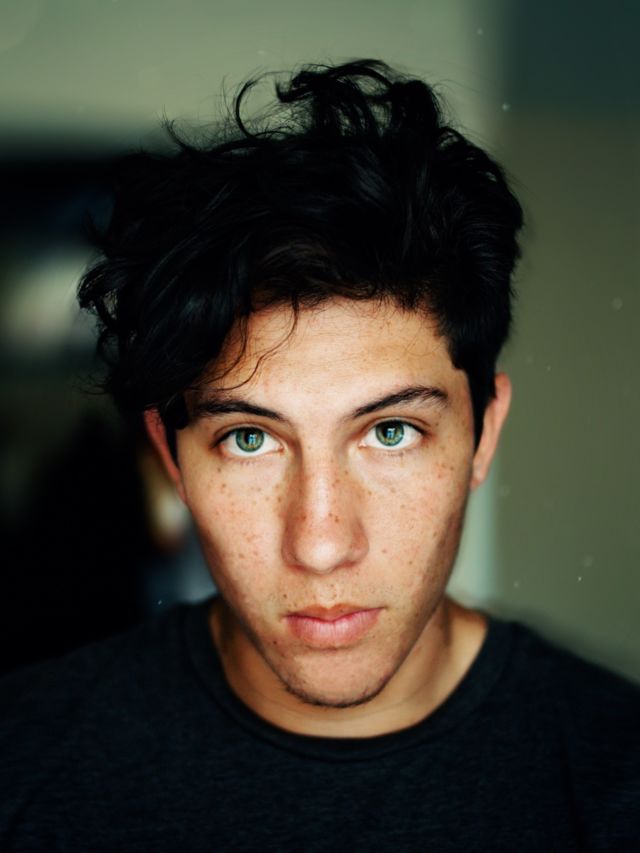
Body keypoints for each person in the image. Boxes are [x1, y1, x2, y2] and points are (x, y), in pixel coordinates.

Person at [1, 60, 638, 852]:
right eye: (250, 439)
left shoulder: (617, 780)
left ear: (484, 432)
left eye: (390, 431)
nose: (323, 542)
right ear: (171, 456)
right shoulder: (21, 766)